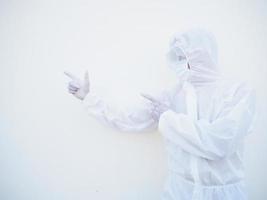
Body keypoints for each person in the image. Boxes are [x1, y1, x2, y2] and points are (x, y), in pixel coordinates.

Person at [64, 29, 256, 200]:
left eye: (186, 56)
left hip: (225, 194)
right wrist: (88, 98)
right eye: (178, 57)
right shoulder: (173, 95)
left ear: (202, 55)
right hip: (178, 192)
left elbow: (220, 142)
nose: (182, 63)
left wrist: (167, 118)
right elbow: (128, 118)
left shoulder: (237, 92)